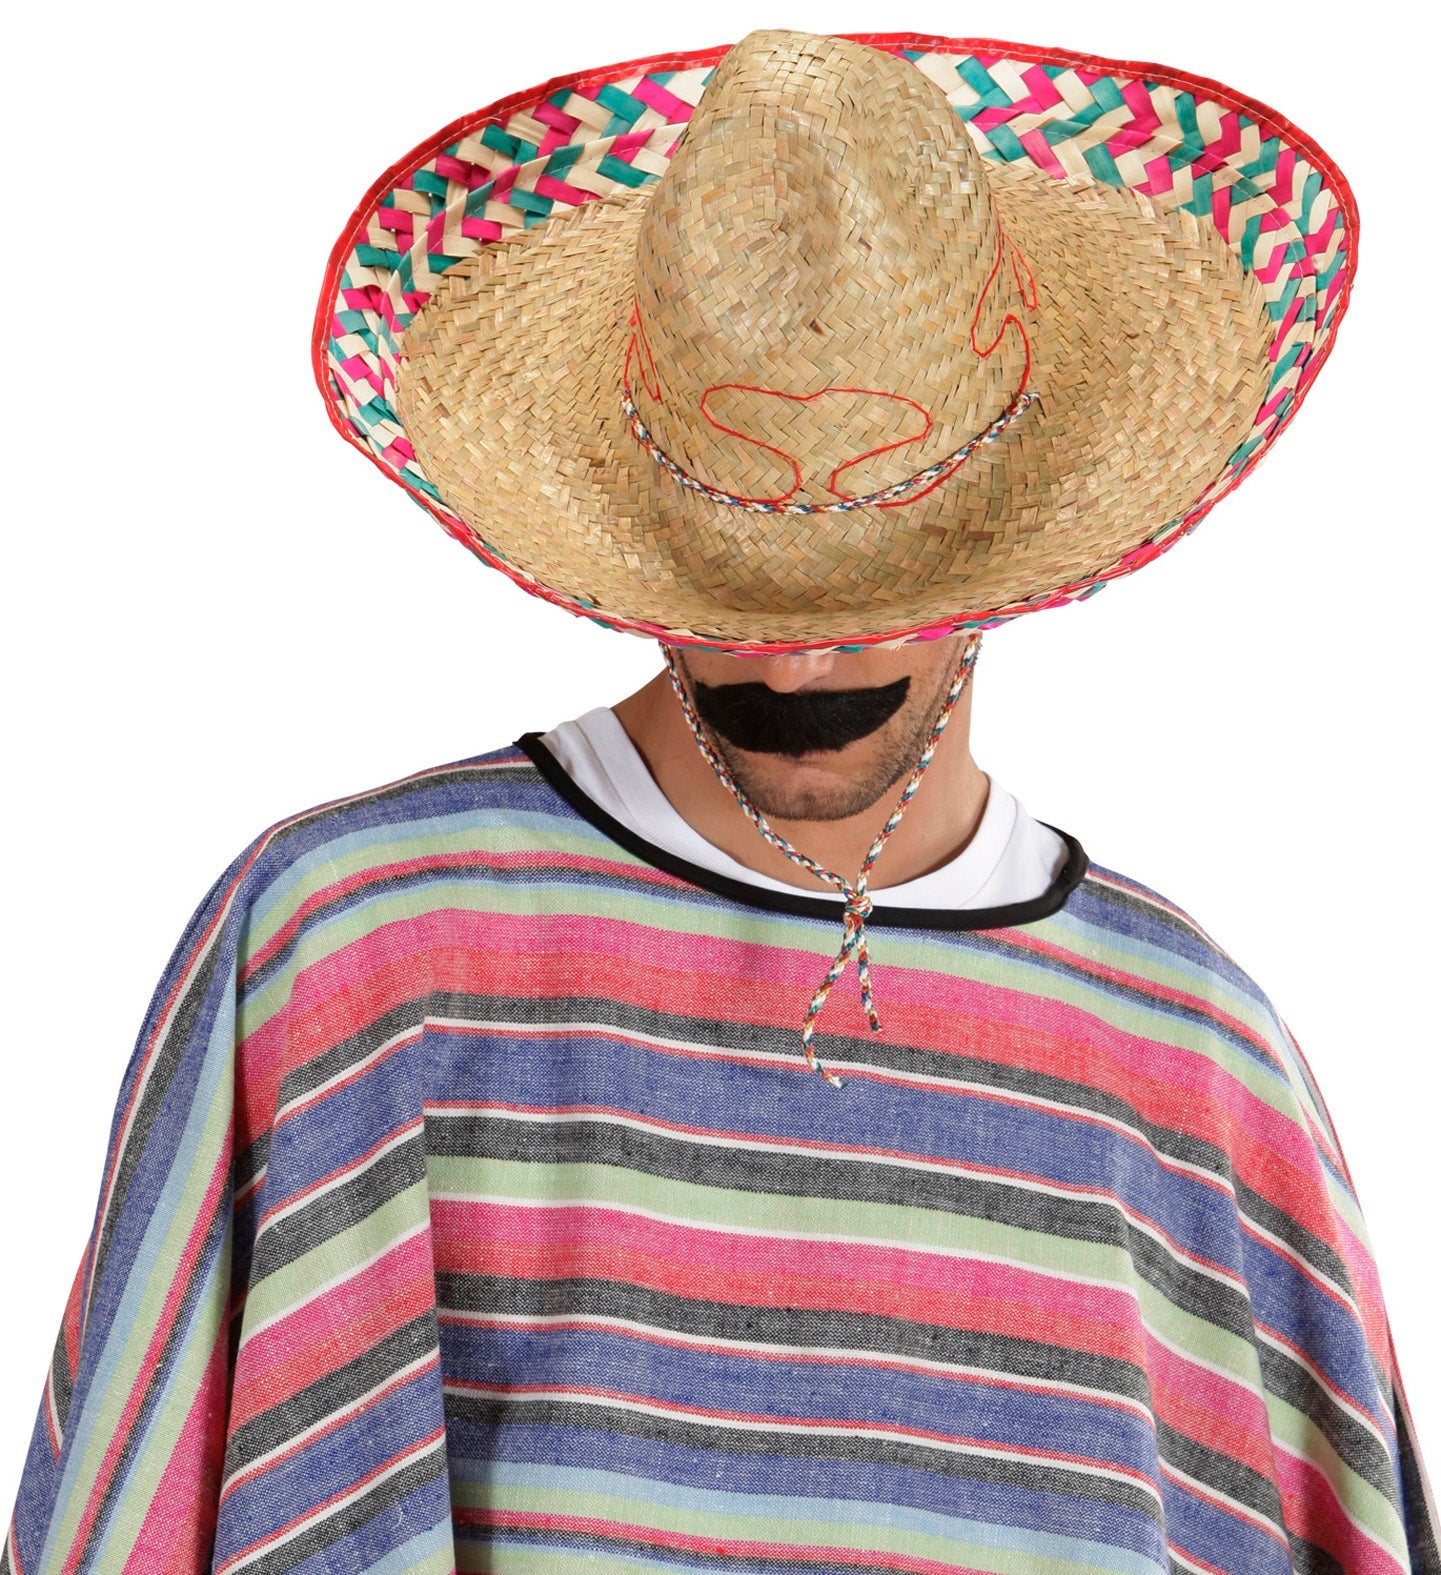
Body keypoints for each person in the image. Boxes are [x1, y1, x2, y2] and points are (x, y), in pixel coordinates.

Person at [4, 25, 1436, 1575]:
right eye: (734, 581)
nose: (802, 655)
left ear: (1013, 539)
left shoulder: (1188, 1058)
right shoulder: (356, 953)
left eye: (881, 582)